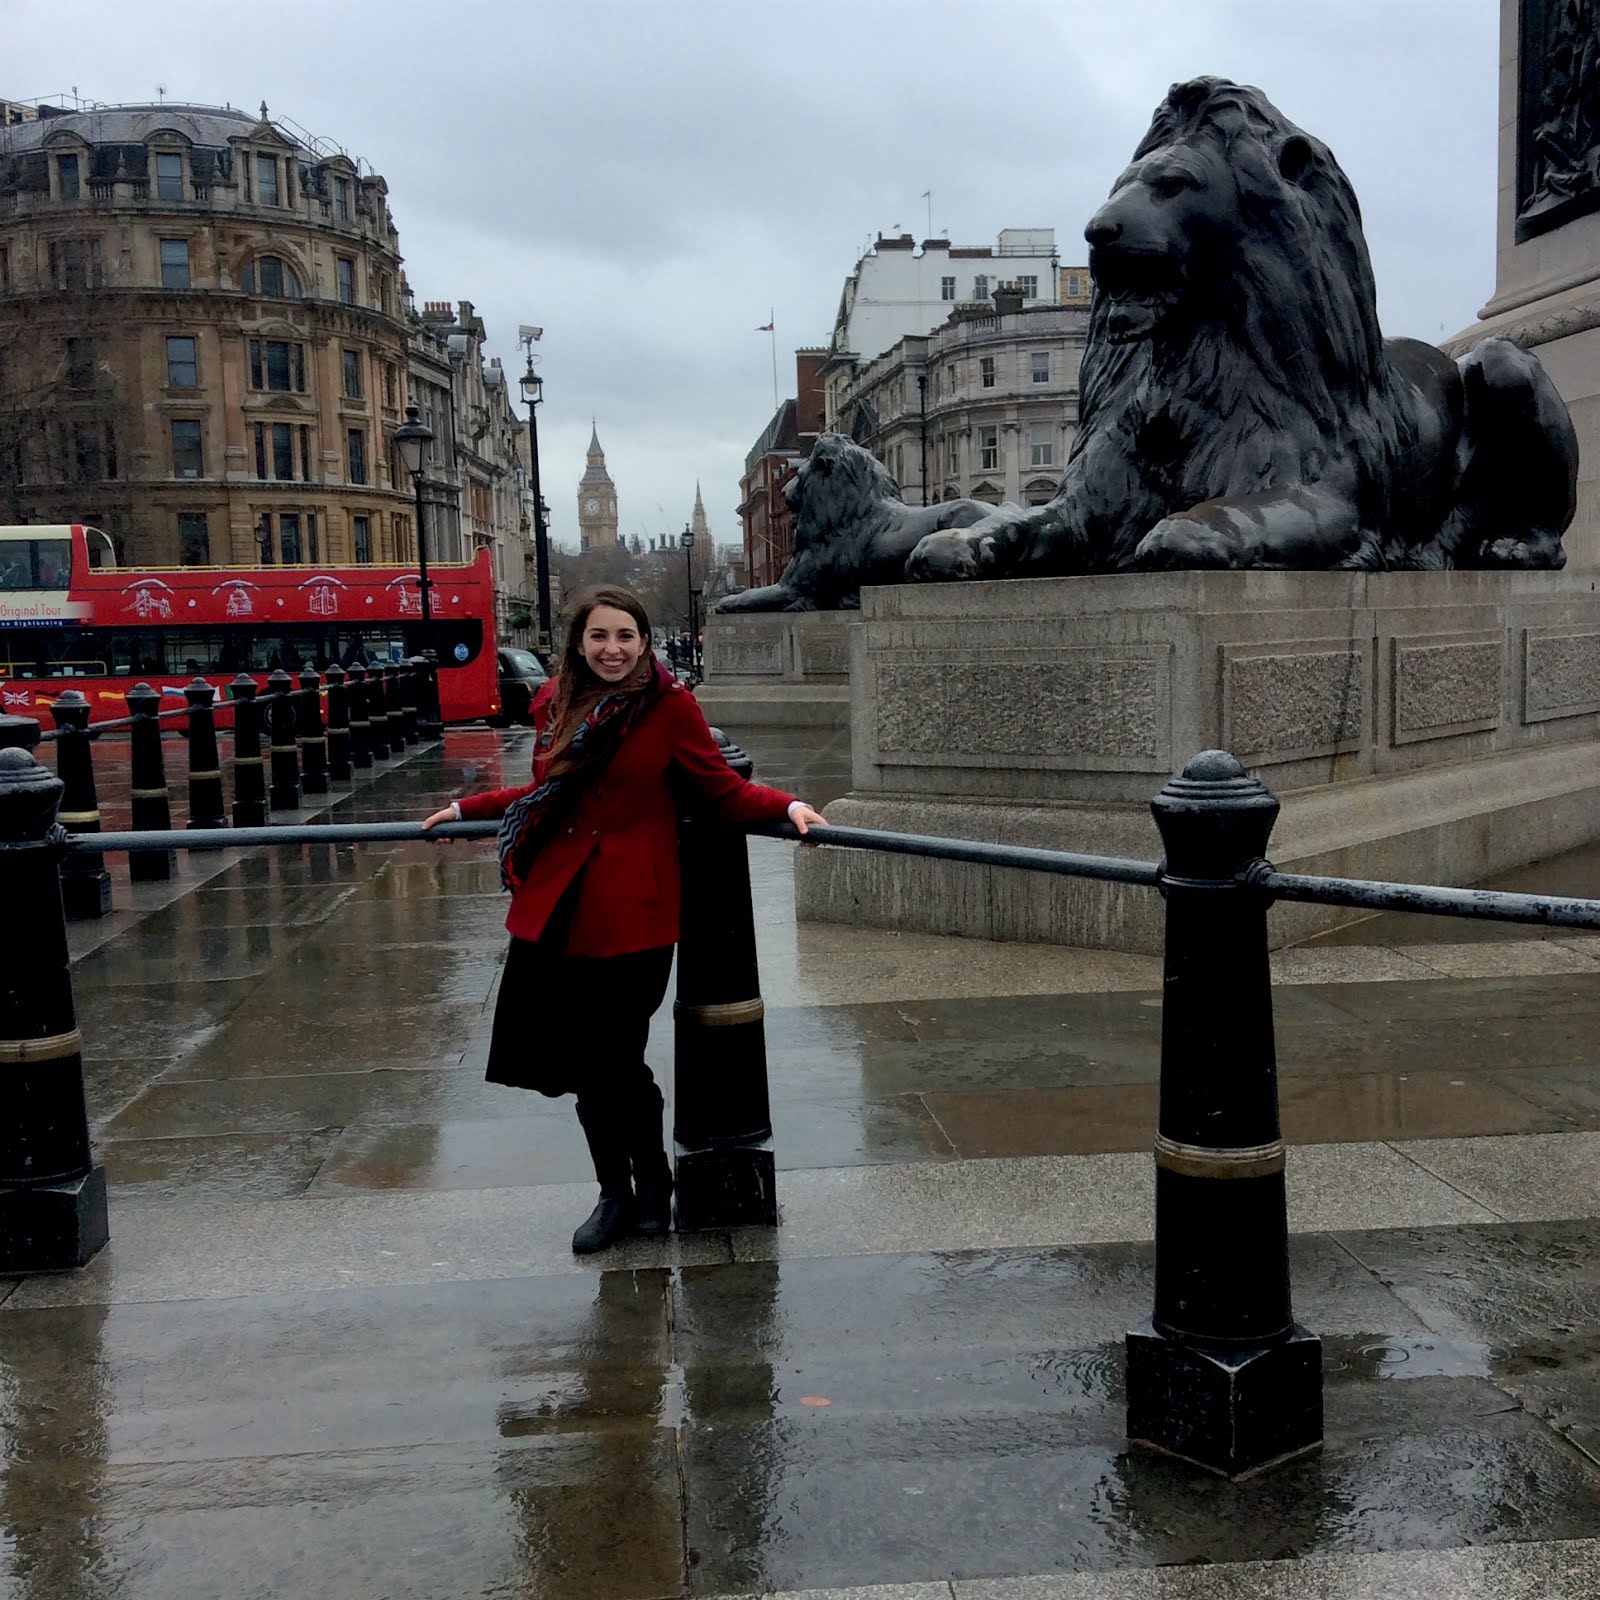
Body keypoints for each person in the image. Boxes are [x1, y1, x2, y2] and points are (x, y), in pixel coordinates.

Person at [421, 585, 826, 1254]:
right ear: (580, 642)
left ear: (644, 644)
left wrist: (787, 807)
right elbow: (544, 795)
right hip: (560, 909)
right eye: (600, 636)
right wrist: (468, 810)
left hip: (633, 914)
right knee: (586, 1066)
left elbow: (721, 790)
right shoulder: (556, 704)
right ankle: (614, 1192)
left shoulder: (668, 708)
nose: (613, 649)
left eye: (626, 637)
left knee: (617, 1061)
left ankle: (653, 1185)